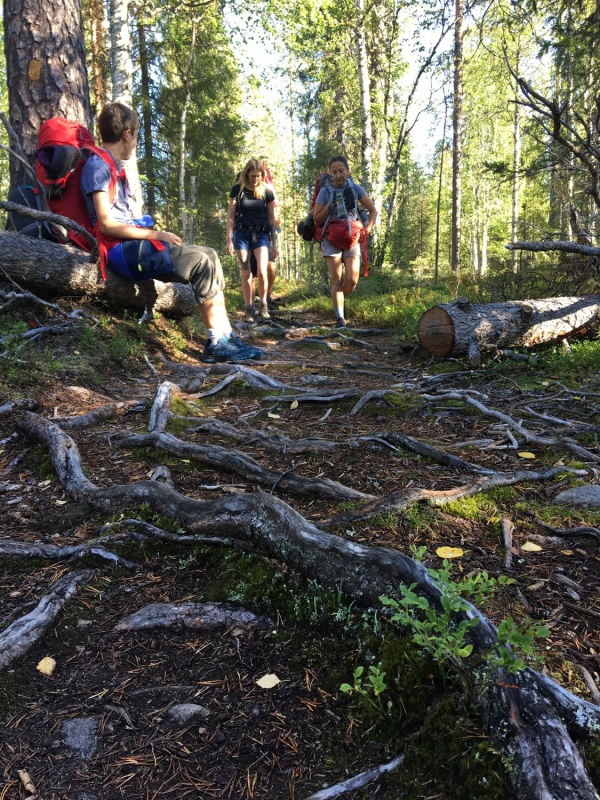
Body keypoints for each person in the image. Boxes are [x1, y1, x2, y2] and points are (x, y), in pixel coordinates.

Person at [80, 102, 262, 363]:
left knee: (209, 254)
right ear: (126, 135)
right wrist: (156, 235)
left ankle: (226, 334)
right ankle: (215, 344)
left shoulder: (109, 164)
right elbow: (107, 225)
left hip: (130, 245)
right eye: (136, 135)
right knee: (200, 262)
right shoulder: (98, 166)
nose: (136, 142)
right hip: (120, 251)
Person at [312, 155, 377, 328]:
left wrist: (367, 229)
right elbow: (316, 219)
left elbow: (373, 211)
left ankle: (338, 301)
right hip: (331, 238)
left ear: (348, 171)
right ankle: (340, 319)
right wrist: (328, 206)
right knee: (336, 279)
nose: (338, 174)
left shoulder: (356, 189)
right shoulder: (325, 191)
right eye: (335, 172)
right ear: (330, 174)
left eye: (341, 171)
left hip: (353, 238)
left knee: (352, 280)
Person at [227, 159, 278, 322]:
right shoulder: (238, 190)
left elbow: (271, 219)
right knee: (246, 272)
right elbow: (230, 217)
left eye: (258, 176)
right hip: (241, 234)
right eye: (252, 175)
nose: (255, 179)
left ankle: (263, 305)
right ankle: (248, 309)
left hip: (261, 234)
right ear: (247, 174)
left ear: (262, 175)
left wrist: (274, 243)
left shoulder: (267, 191)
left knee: (263, 270)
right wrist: (229, 239)